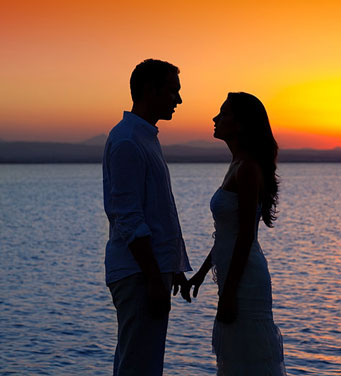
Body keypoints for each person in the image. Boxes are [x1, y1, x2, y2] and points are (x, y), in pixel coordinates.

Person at [182, 92, 287, 375]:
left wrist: (229, 293)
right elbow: (225, 235)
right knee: (235, 360)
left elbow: (244, 237)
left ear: (240, 124)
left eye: (223, 113)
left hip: (245, 281)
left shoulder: (249, 169)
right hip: (232, 277)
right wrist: (202, 274)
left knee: (249, 360)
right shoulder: (236, 165)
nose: (215, 119)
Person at [103, 59, 192, 376]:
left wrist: (173, 266)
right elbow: (128, 217)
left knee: (144, 362)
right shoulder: (128, 141)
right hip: (138, 273)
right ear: (148, 90)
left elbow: (159, 212)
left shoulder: (145, 137)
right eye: (172, 92)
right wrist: (155, 276)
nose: (178, 100)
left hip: (151, 271)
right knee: (138, 365)